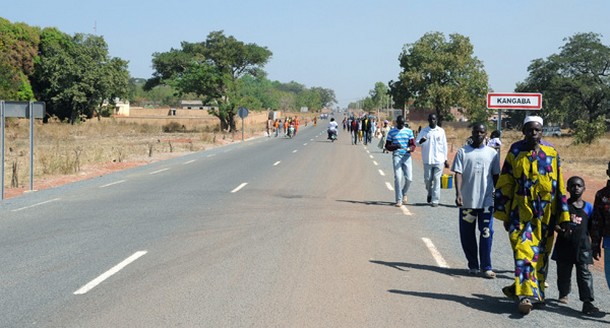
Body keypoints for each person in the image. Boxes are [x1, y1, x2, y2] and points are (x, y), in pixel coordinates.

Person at [494, 115, 570, 315]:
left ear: (542, 132)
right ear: (523, 131)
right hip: (520, 212)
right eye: (529, 130)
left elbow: (559, 185)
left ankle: (537, 293)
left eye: (537, 130)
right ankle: (525, 296)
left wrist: (562, 216)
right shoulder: (516, 151)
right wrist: (504, 213)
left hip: (545, 215)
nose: (533, 133)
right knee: (523, 251)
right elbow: (505, 182)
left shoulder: (552, 153)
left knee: (541, 255)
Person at [451, 123, 500, 278]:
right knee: (467, 234)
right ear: (471, 133)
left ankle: (486, 266)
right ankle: (473, 264)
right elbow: (458, 173)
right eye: (476, 132)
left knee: (487, 232)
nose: (478, 134)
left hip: (486, 201)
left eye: (482, 132)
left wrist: (498, 196)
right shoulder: (463, 152)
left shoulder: (492, 153)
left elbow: (496, 176)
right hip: (468, 201)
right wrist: (458, 194)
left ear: (486, 135)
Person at [551, 176, 599, 314]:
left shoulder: (588, 207)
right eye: (572, 186)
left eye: (579, 186)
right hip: (564, 246)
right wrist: (558, 229)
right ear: (567, 189)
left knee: (584, 274)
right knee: (563, 272)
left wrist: (594, 245)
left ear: (584, 188)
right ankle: (563, 293)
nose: (576, 188)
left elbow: (592, 228)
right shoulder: (563, 205)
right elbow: (553, 220)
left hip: (582, 247)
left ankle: (587, 302)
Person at [416, 113, 449, 207]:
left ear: (437, 120)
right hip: (427, 160)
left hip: (439, 160)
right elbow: (417, 143)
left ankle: (435, 200)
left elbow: (444, 145)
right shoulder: (424, 131)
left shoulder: (441, 131)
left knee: (437, 179)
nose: (432, 121)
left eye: (434, 119)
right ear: (428, 120)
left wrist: (445, 159)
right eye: (431, 119)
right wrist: (421, 141)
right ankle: (429, 193)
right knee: (427, 180)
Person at [385, 115, 416, 207]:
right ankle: (399, 199)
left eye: (403, 124)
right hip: (397, 156)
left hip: (406, 156)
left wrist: (410, 148)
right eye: (400, 124)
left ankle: (404, 192)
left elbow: (413, 145)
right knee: (398, 178)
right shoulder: (392, 132)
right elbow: (387, 146)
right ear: (397, 123)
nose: (401, 125)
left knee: (409, 178)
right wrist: (395, 146)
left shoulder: (409, 131)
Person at [591, 161, 610, 299]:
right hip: (609, 240)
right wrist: (595, 244)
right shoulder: (601, 195)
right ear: (608, 173)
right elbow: (597, 221)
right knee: (609, 274)